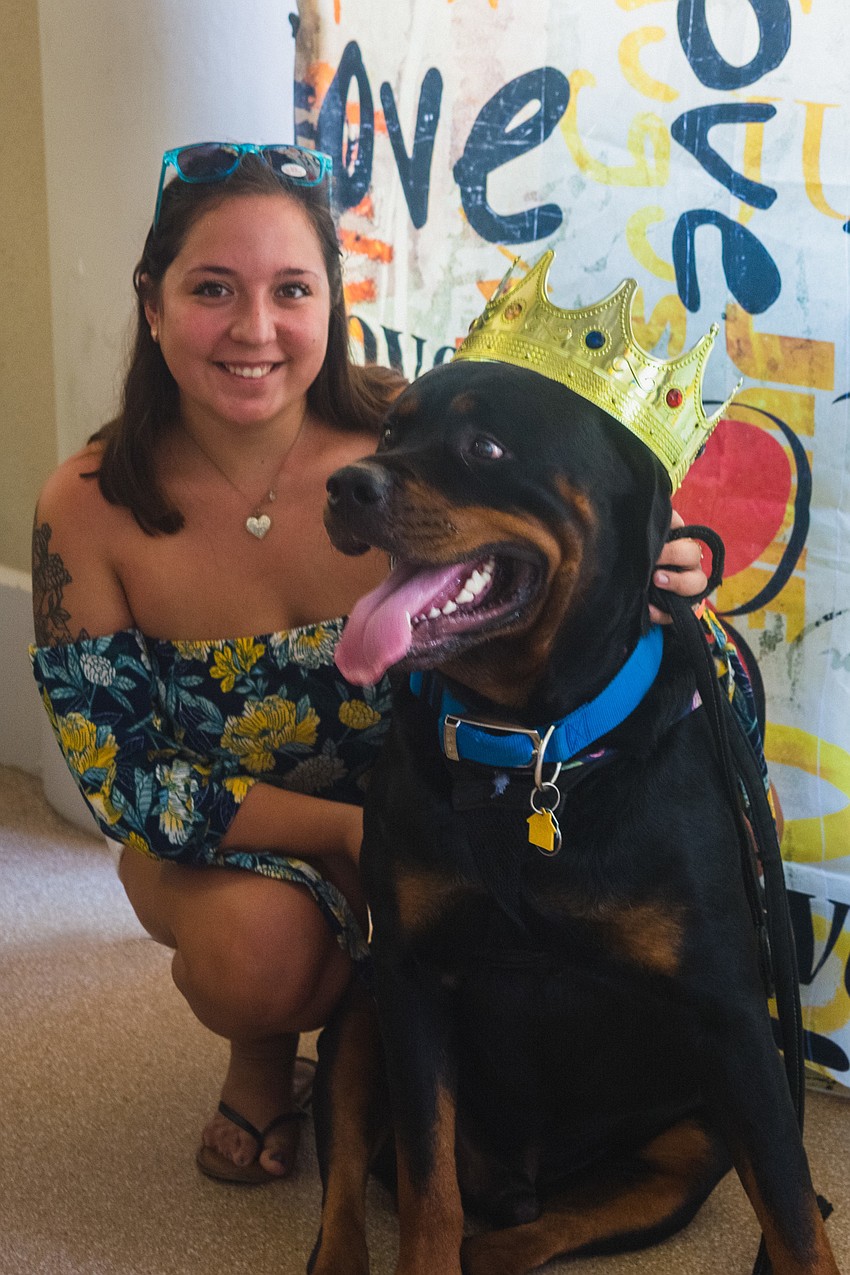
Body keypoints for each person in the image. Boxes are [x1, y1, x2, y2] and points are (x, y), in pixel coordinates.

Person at [30, 143, 711, 1186]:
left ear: (331, 303)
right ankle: (267, 1057)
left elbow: (575, 527)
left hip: (445, 805)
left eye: (291, 290)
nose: (255, 330)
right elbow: (127, 779)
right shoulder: (84, 505)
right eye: (212, 289)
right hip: (238, 839)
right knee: (259, 955)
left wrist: (669, 556)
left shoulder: (415, 433)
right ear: (152, 302)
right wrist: (350, 832)